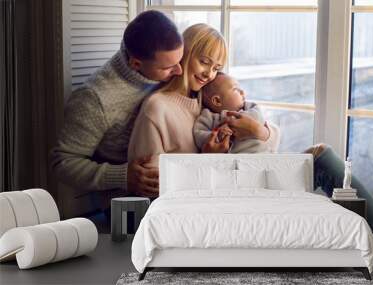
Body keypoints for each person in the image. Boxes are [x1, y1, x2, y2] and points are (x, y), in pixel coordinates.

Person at [50, 10, 184, 213]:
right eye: (169, 67)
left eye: (180, 61)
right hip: (126, 205)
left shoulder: (167, 68)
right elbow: (63, 162)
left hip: (177, 182)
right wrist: (122, 176)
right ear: (136, 64)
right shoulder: (94, 99)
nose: (179, 72)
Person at [127, 23, 275, 168]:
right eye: (204, 62)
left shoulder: (208, 97)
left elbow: (273, 136)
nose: (209, 74)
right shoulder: (156, 108)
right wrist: (206, 160)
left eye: (216, 68)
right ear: (183, 55)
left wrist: (259, 131)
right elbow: (150, 182)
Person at [193, 72, 280, 153]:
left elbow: (258, 116)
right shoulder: (208, 116)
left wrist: (235, 121)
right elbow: (199, 134)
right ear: (217, 101)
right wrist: (218, 135)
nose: (242, 92)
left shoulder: (247, 107)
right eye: (236, 89)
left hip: (260, 153)